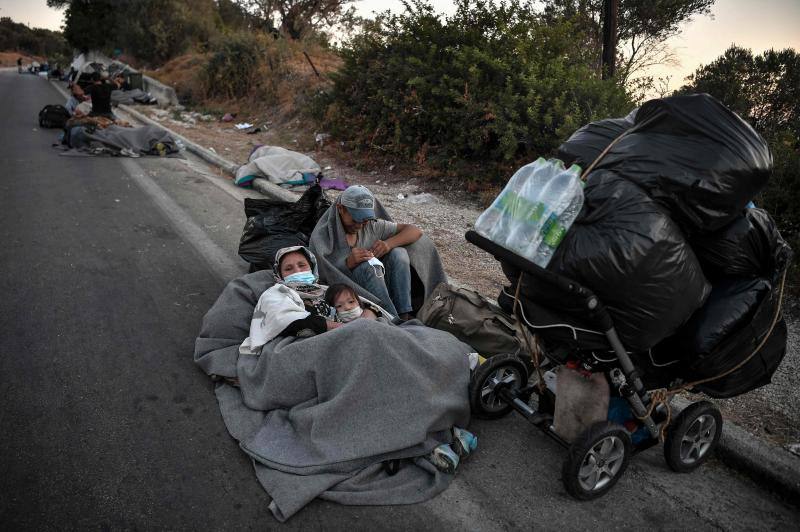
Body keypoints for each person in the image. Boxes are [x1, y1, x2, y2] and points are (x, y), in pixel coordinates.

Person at [313, 186, 425, 320]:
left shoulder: (372, 227)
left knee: (399, 254)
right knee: (368, 267)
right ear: (341, 209)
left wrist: (388, 244)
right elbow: (319, 275)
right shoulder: (323, 236)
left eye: (364, 220)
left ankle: (404, 314)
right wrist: (347, 264)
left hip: (379, 287)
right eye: (355, 220)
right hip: (350, 295)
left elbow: (415, 231)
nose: (360, 225)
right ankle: (393, 319)